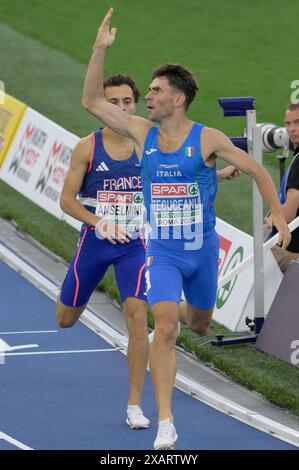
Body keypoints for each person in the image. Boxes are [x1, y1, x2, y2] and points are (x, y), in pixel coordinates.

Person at [81, 8, 290, 450]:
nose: (147, 96)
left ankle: (179, 317)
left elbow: (256, 168)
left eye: (155, 90)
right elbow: (92, 103)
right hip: (163, 251)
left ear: (178, 99)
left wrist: (278, 215)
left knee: (197, 322)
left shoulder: (208, 138)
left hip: (202, 252)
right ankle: (166, 423)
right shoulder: (142, 132)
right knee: (166, 326)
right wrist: (99, 50)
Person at [56, 73, 151, 430]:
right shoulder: (87, 147)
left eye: (128, 102)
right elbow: (67, 200)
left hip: (134, 246)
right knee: (65, 320)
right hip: (95, 243)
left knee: (137, 315)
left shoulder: (147, 145)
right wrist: (99, 222)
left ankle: (135, 405)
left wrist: (217, 176)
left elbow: (178, 175)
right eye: (113, 102)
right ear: (102, 107)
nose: (122, 108)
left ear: (135, 105)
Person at [268, 103, 299, 272]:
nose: (292, 129)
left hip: (287, 250)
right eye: (288, 124)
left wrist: (273, 213)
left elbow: (288, 215)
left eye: (297, 122)